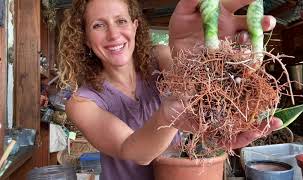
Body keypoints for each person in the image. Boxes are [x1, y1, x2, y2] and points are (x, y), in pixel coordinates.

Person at [58, 0, 281, 179]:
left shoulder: (160, 58)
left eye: (121, 21)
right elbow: (132, 150)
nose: (114, 34)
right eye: (98, 25)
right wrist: (168, 115)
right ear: (85, 38)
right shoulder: (82, 102)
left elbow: (197, 99)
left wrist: (208, 61)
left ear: (135, 26)